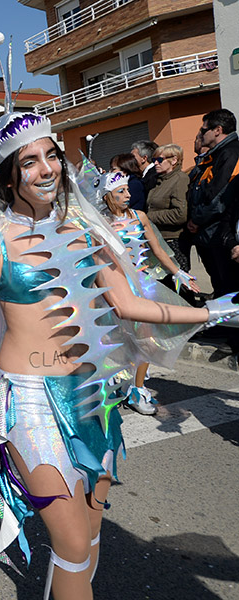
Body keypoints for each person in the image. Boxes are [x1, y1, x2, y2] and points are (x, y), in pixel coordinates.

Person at [0, 107, 238, 599]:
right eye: (29, 161)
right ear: (9, 176)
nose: (46, 168)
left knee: (90, 538)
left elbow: (129, 304)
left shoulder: (85, 227)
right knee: (74, 541)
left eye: (50, 156)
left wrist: (210, 313)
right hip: (29, 402)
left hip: (93, 395)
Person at [99, 171, 200, 415]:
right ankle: (124, 382)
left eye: (127, 190)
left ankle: (137, 388)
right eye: (120, 191)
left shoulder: (139, 216)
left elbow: (158, 248)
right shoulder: (100, 221)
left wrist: (178, 273)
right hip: (114, 288)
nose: (128, 194)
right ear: (107, 196)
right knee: (117, 340)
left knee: (147, 340)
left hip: (143, 285)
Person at [187, 109, 239, 361]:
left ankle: (234, 340)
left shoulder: (231, 153)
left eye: (204, 129)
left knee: (230, 286)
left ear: (218, 130)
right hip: (209, 233)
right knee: (220, 285)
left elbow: (222, 196)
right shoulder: (215, 155)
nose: (200, 134)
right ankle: (225, 332)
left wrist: (197, 219)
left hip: (221, 232)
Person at [145, 144, 191, 277]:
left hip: (173, 240)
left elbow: (180, 214)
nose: (155, 164)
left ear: (174, 160)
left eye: (159, 160)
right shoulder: (160, 180)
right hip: (160, 238)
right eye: (153, 161)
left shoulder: (179, 180)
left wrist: (149, 217)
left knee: (179, 281)